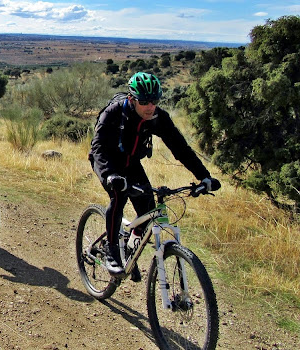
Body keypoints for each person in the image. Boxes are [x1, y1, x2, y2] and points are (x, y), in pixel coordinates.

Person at [89, 72, 220, 280]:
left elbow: (181, 148)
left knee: (148, 210)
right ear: (132, 99)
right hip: (108, 161)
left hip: (131, 163)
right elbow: (98, 147)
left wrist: (204, 176)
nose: (150, 106)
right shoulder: (114, 112)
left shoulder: (158, 118)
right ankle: (112, 251)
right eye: (144, 102)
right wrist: (109, 175)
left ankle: (128, 249)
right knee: (119, 196)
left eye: (154, 101)